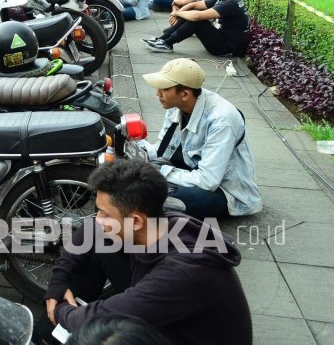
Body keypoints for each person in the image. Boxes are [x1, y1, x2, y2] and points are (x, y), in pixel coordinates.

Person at [41, 159, 253, 345]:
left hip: (182, 337)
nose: (97, 218)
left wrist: (60, 309)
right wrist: (58, 283)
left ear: (135, 220)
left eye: (104, 213)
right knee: (97, 243)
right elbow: (90, 229)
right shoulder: (162, 223)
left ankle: (53, 330)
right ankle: (49, 336)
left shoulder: (183, 273)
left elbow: (101, 319)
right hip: (166, 319)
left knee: (93, 326)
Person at [142, 58, 262, 217]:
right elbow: (162, 149)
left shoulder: (221, 120)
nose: (157, 93)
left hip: (224, 191)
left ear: (184, 94)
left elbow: (208, 180)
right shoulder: (176, 105)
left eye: (163, 89)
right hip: (191, 172)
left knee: (162, 202)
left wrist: (159, 171)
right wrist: (137, 152)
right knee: (134, 183)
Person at [144, 0, 249, 57]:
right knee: (190, 13)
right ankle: (162, 40)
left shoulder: (230, 3)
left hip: (228, 48)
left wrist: (177, 13)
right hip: (223, 39)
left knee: (196, 20)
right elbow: (194, 5)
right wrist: (178, 11)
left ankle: (167, 43)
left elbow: (197, 16)